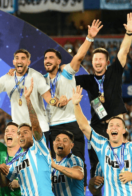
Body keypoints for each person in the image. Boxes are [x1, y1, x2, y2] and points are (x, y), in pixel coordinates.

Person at [75, 13, 132, 196]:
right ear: (92, 62)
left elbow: (124, 51)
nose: (97, 61)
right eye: (95, 59)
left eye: (101, 59)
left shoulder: (114, 72)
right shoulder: (86, 79)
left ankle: (130, 190)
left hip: (115, 123)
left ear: (106, 62)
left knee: (122, 157)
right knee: (97, 166)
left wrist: (128, 32)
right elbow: (67, 74)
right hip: (96, 127)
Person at [44, 19, 103, 170]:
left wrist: (89, 37)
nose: (47, 60)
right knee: (56, 166)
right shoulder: (41, 80)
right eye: (45, 58)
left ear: (59, 61)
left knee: (78, 163)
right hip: (54, 126)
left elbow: (79, 57)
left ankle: (81, 192)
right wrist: (56, 101)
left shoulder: (67, 73)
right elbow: (47, 97)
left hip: (73, 123)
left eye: (51, 57)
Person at [0, 49, 67, 142]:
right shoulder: (7, 78)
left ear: (28, 62)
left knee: (42, 157)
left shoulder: (36, 76)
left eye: (23, 58)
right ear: (14, 62)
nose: (19, 61)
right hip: (19, 131)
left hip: (39, 128)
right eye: (17, 58)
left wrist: (58, 103)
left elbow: (48, 98)